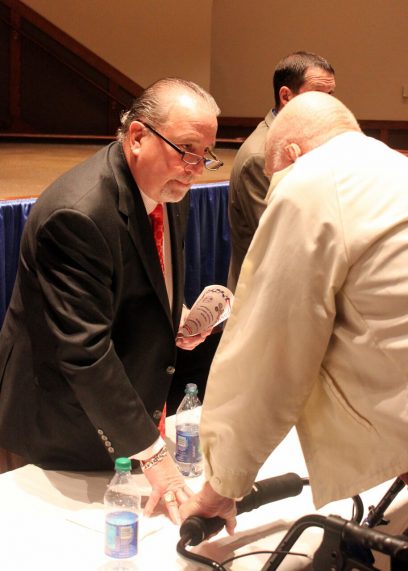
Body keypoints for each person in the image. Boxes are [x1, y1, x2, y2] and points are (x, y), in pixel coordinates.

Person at [180, 92, 408, 532]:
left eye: (272, 177)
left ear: (291, 154)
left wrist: (219, 489)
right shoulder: (393, 165)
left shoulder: (311, 184)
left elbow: (267, 357)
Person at [0, 77, 223, 524]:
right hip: (59, 427)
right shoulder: (77, 215)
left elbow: (143, 277)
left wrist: (176, 315)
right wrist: (156, 459)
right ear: (138, 136)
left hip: (125, 414)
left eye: (206, 155)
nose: (196, 168)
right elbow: (85, 352)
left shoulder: (167, 186)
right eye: (186, 150)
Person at [227, 51, 336, 292]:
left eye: (331, 95)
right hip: (264, 297)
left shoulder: (311, 139)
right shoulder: (262, 155)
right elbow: (281, 240)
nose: (329, 104)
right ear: (286, 96)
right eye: (319, 93)